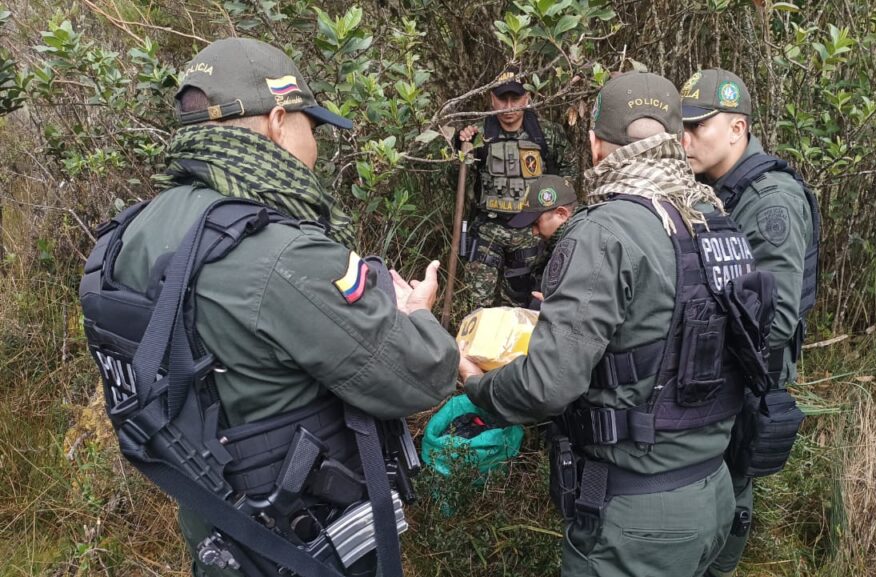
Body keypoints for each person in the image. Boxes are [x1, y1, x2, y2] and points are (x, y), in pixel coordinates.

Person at [80, 38, 458, 577]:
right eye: (312, 127)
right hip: (302, 542)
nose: (315, 149)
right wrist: (414, 313)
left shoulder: (128, 232)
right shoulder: (279, 253)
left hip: (217, 525)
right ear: (279, 122)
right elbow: (421, 373)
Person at [460, 71, 774, 577]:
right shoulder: (716, 219)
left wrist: (477, 384)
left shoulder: (603, 231)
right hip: (715, 491)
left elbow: (548, 385)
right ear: (676, 141)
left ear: (593, 143)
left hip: (638, 514)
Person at [680, 68, 820, 577]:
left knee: (732, 483)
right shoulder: (719, 187)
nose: (685, 139)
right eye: (681, 126)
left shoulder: (770, 201)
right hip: (723, 371)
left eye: (698, 127)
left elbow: (776, 319)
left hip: (749, 380)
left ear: (737, 129)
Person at [457, 66, 577, 308]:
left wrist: (551, 214)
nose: (509, 106)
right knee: (478, 304)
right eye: (502, 99)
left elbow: (569, 172)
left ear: (528, 97)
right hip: (488, 229)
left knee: (521, 303)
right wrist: (459, 149)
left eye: (516, 98)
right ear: (491, 98)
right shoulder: (478, 134)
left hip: (531, 233)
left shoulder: (546, 134)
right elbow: (457, 184)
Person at [505, 174, 578, 305]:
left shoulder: (583, 245)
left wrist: (560, 306)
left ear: (561, 214)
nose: (534, 232)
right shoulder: (562, 241)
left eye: (537, 223)